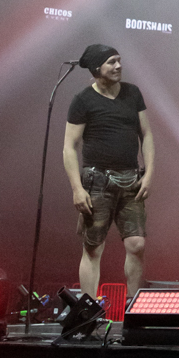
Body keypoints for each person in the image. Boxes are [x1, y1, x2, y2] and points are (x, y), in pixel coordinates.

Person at [64, 44, 154, 304]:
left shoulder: (132, 93)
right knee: (93, 248)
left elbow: (146, 135)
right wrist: (77, 189)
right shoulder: (83, 100)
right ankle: (89, 312)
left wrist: (149, 174)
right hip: (97, 181)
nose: (118, 66)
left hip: (131, 180)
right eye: (111, 62)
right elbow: (69, 147)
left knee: (137, 244)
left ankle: (133, 308)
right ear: (96, 68)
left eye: (119, 60)